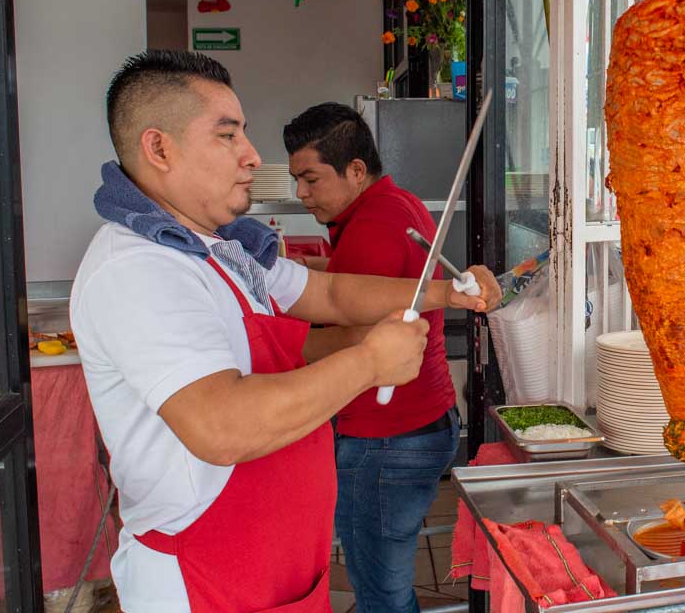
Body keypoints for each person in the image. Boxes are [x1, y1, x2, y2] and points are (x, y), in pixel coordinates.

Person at [69, 50, 500, 613]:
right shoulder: (139, 267)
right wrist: (369, 363)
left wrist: (445, 292)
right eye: (228, 136)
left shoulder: (222, 246)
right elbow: (220, 425)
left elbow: (332, 294)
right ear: (159, 148)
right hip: (206, 575)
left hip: (274, 565)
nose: (251, 156)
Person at [283, 103, 462, 613]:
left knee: (382, 592)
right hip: (424, 418)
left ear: (356, 171)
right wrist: (312, 268)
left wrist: (274, 340)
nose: (301, 193)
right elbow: (362, 283)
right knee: (382, 579)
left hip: (386, 437)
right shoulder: (396, 205)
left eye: (311, 179)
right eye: (297, 179)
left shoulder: (373, 227)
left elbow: (353, 326)